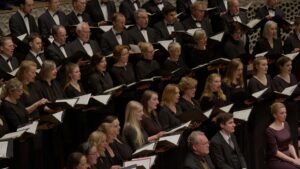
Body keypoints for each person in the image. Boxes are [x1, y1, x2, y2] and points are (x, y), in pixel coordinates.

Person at [247, 56, 273, 169]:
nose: (266, 67)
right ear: (256, 66)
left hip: (270, 114)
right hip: (258, 116)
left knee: (270, 143)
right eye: (263, 64)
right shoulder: (252, 81)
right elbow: (256, 100)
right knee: (259, 144)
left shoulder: (269, 77)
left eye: (266, 64)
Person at [272, 56, 299, 152]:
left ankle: (296, 157)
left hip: (294, 110)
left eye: (291, 65)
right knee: (285, 137)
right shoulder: (276, 80)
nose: (290, 67)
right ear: (281, 66)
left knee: (294, 135)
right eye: (287, 65)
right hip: (284, 112)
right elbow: (278, 98)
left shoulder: (293, 76)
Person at [266, 102, 300, 169]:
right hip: (276, 160)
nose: (285, 115)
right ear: (275, 115)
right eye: (282, 113)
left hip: (288, 157)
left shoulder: (286, 124)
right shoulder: (269, 131)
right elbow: (275, 152)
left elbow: (290, 145)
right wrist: (293, 161)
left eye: (285, 112)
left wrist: (296, 158)